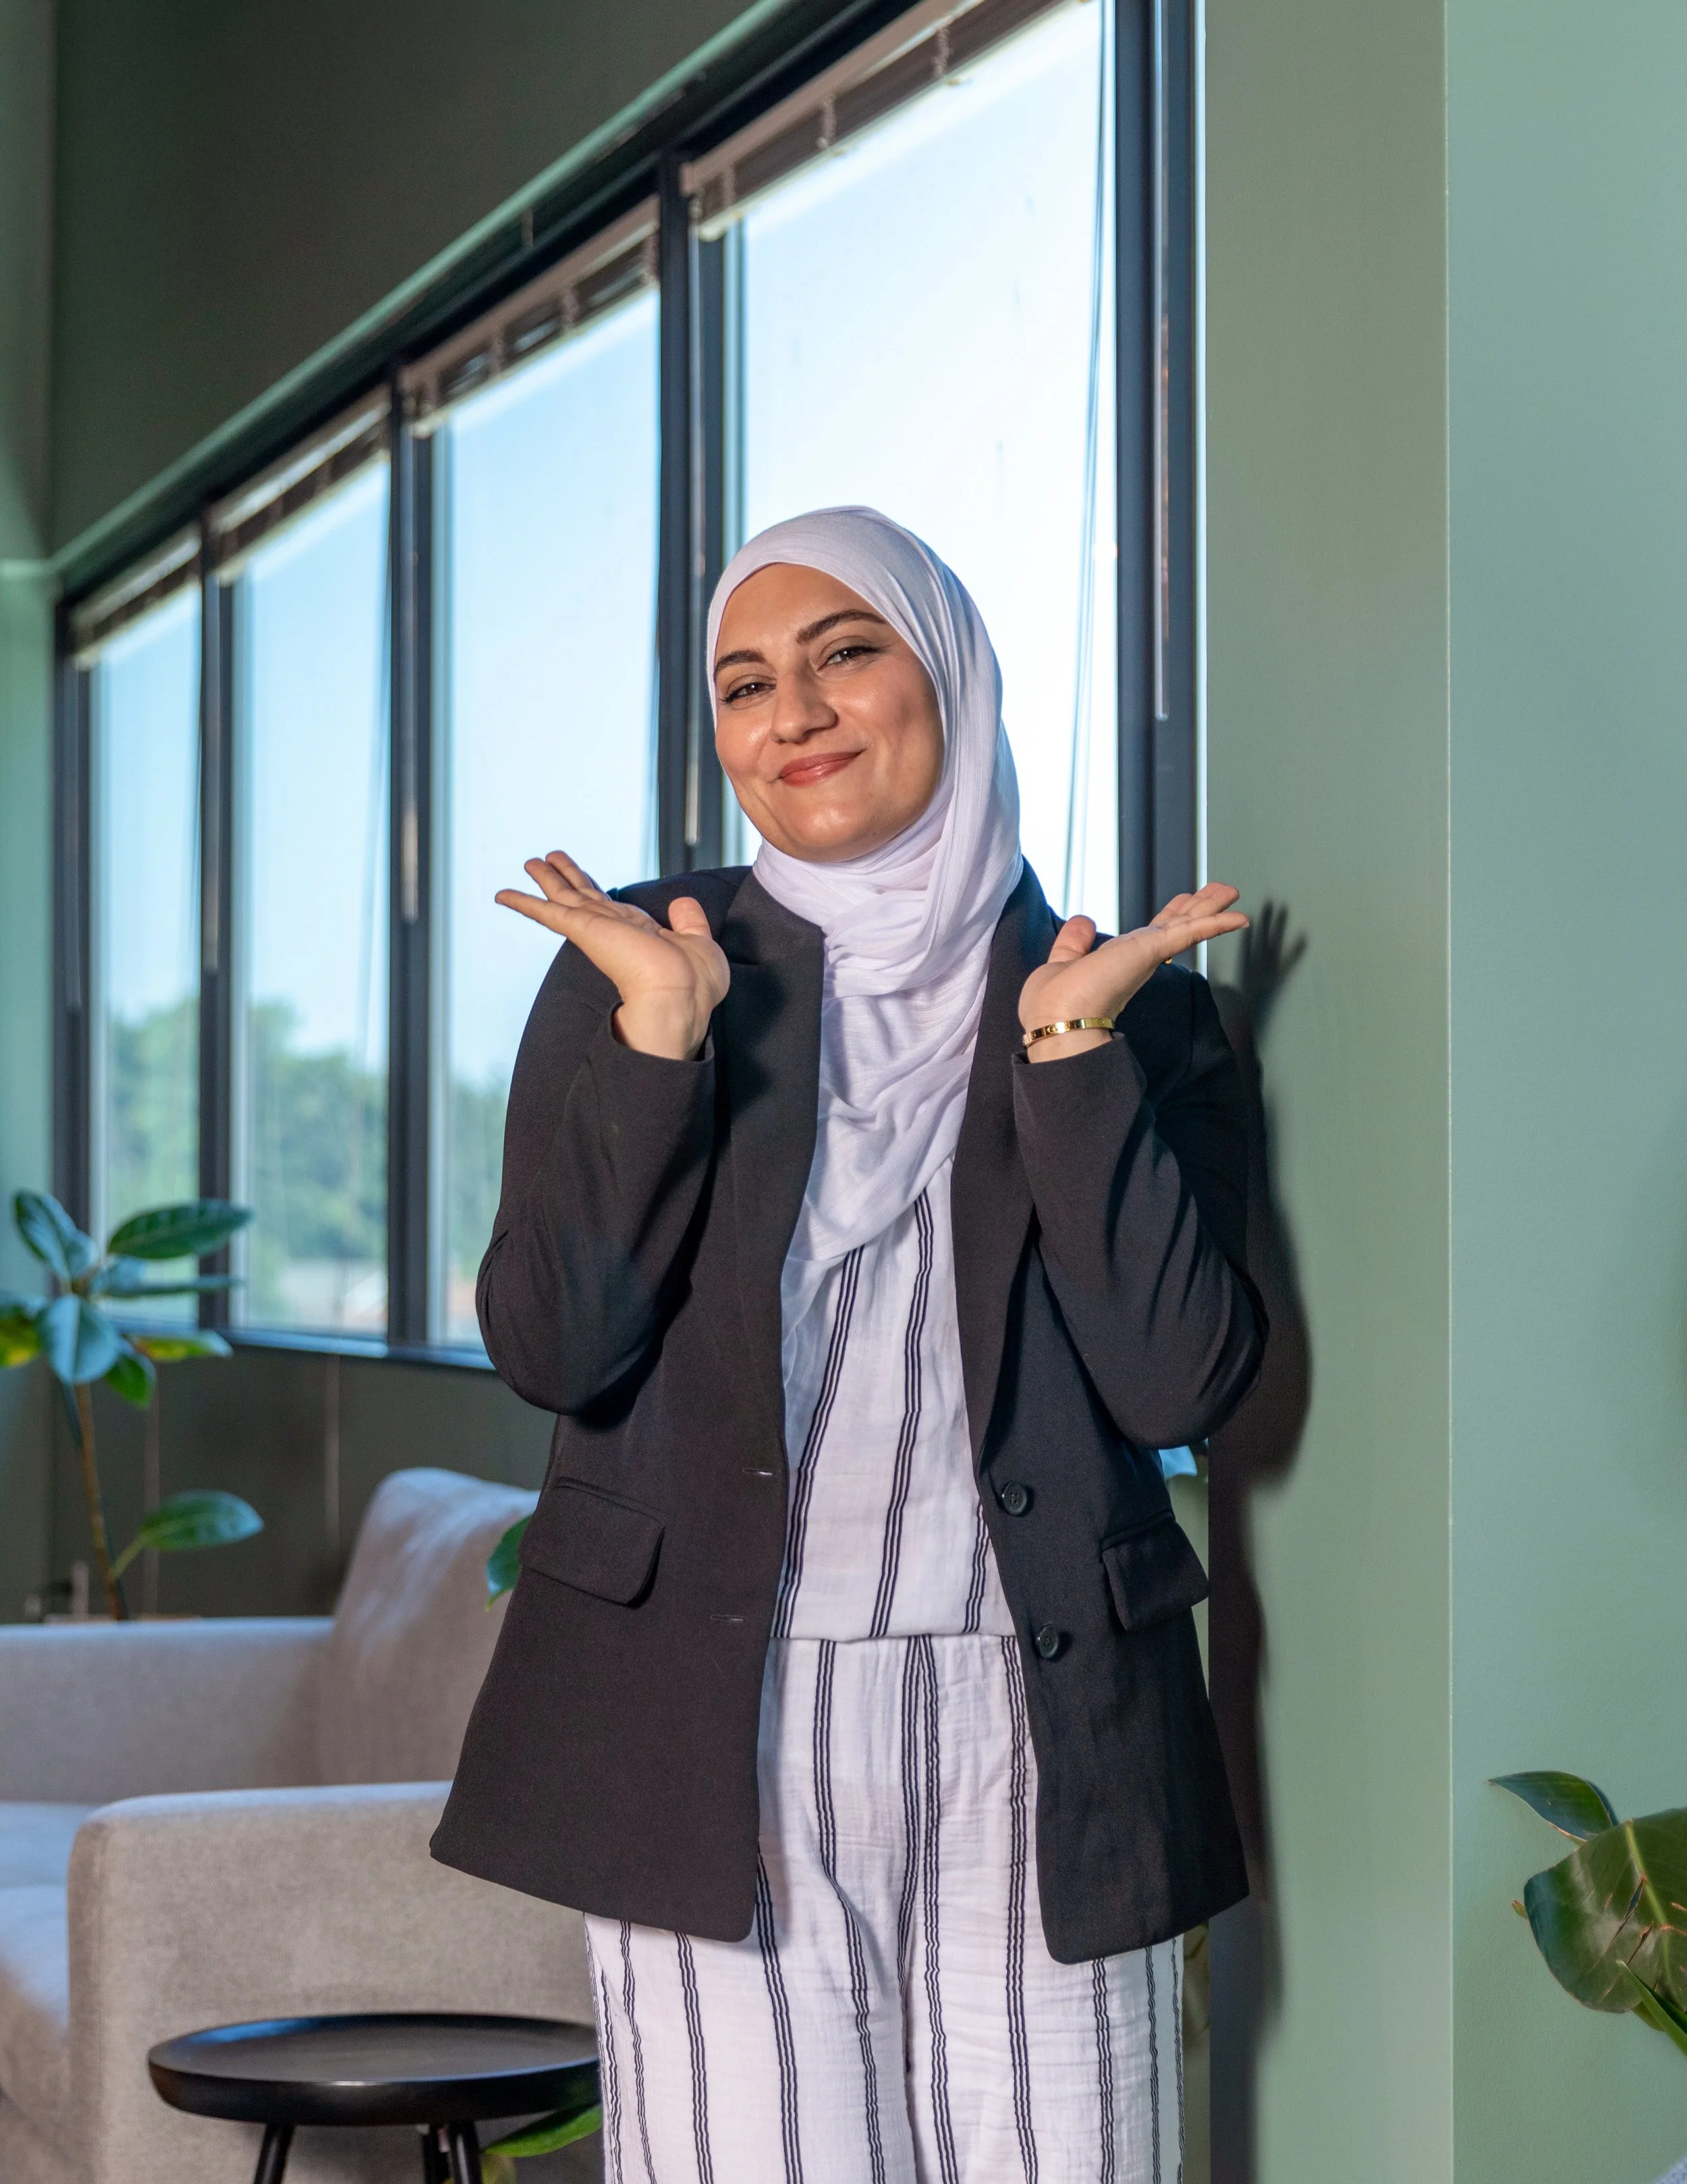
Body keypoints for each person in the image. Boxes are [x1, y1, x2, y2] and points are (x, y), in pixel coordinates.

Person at [433, 507, 1265, 2183]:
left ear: (948, 673)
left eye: (844, 654)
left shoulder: (1127, 999)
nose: (793, 714)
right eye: (745, 684)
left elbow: (1174, 1382)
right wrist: (658, 1043)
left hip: (1043, 1720)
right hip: (707, 1721)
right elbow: (556, 1346)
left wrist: (1068, 1055)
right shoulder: (642, 964)